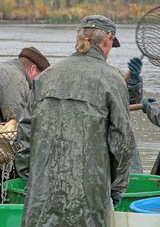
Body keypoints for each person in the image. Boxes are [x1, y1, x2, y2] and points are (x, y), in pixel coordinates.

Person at [17, 15, 136, 227]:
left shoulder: (46, 77)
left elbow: (24, 132)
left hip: (41, 194)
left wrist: (32, 177)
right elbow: (122, 143)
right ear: (107, 39)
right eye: (111, 46)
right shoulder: (112, 79)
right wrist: (117, 187)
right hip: (89, 196)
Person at [0, 46, 50, 123]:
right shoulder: (17, 79)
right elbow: (17, 122)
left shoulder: (6, 69)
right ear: (33, 69)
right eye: (40, 77)